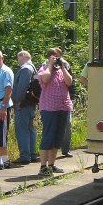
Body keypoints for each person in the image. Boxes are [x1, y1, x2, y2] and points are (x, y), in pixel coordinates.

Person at [37, 48, 73, 177]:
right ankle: (43, 166)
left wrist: (63, 67)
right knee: (48, 136)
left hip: (63, 107)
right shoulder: (44, 68)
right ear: (49, 57)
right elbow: (45, 79)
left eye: (58, 56)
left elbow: (69, 82)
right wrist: (50, 65)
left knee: (58, 137)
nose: (56, 59)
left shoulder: (63, 69)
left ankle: (51, 164)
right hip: (49, 107)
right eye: (54, 56)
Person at [11, 50, 38, 165]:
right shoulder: (34, 68)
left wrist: (18, 101)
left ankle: (25, 156)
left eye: (18, 58)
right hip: (30, 103)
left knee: (22, 130)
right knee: (30, 129)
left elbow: (22, 86)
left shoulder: (25, 68)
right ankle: (32, 154)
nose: (18, 61)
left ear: (23, 56)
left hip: (23, 104)